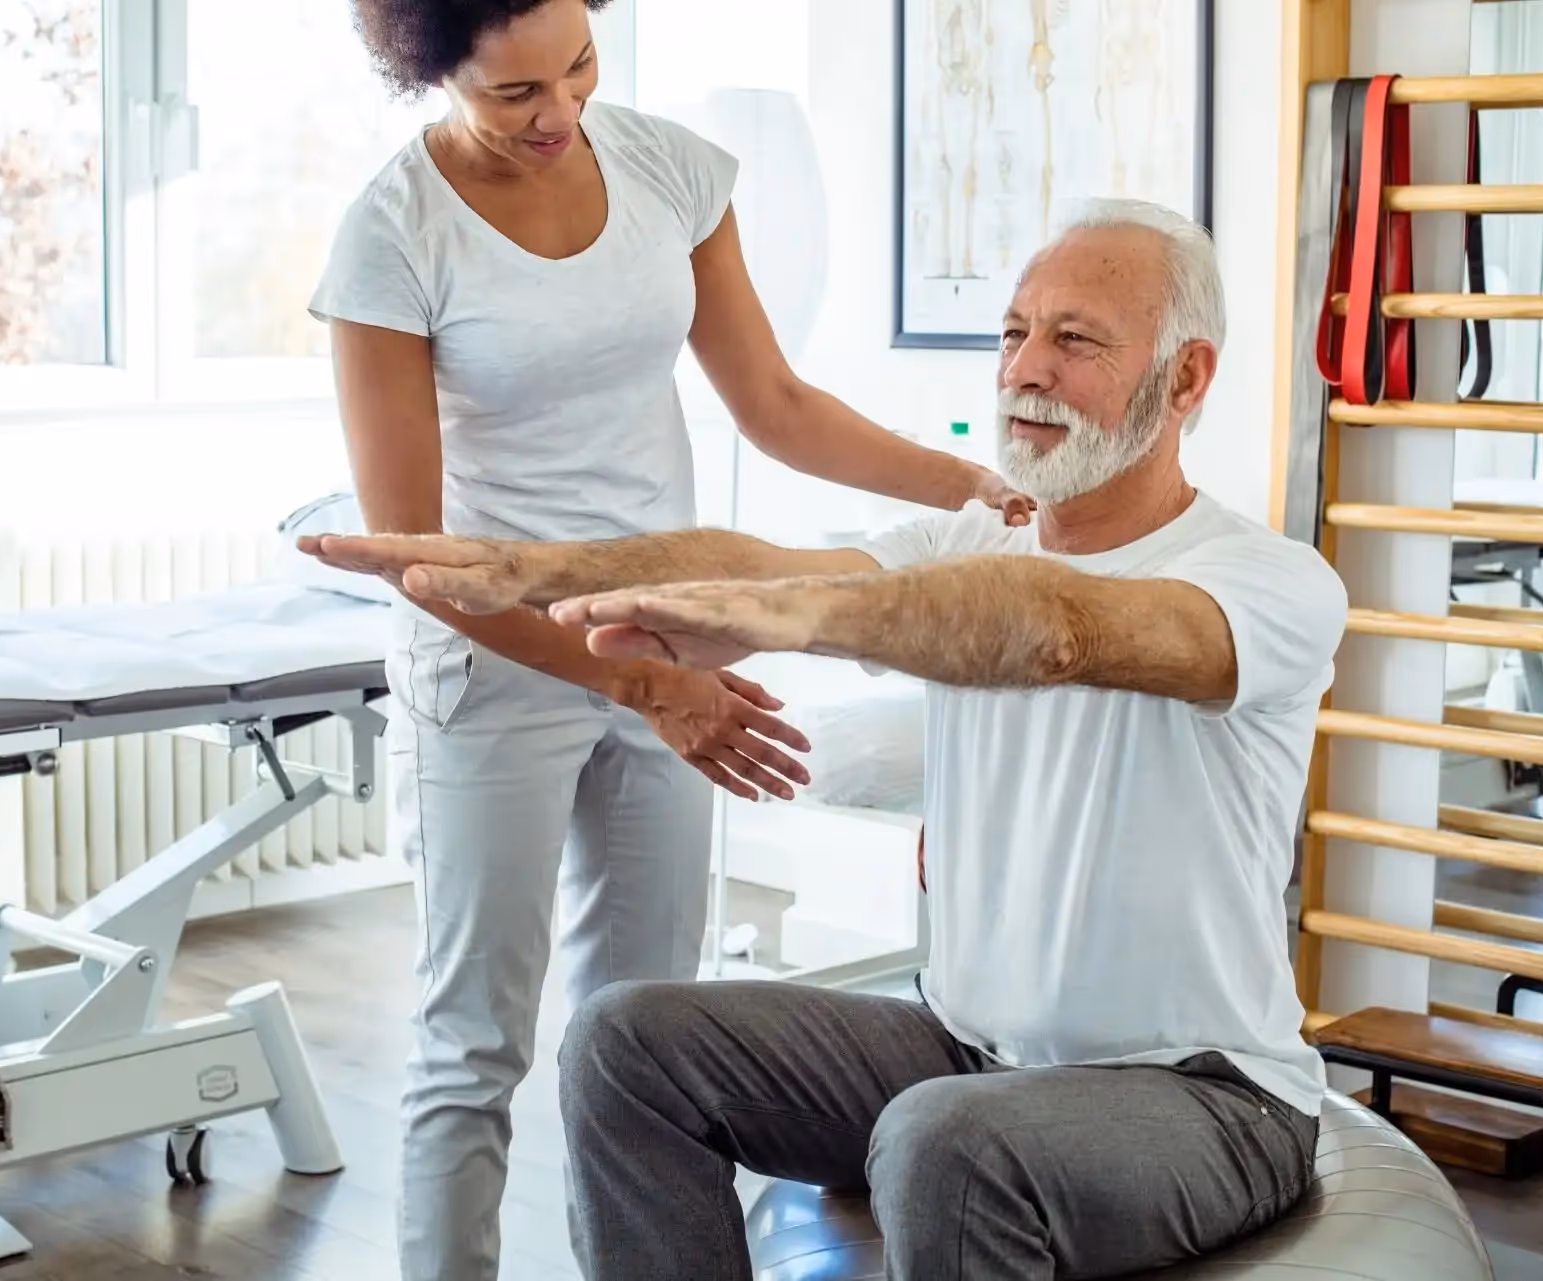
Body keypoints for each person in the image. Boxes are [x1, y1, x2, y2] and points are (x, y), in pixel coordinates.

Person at [302, 198, 1350, 1280]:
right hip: (965, 1046)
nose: (1024, 370)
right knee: (623, 1044)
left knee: (944, 1140)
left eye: (1075, 340)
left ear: (1184, 379)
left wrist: (803, 616)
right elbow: (761, 560)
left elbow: (1057, 629)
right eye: (1013, 333)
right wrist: (538, 568)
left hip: (1203, 1093)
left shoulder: (1264, 582)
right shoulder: (967, 535)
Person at [307, 2, 1032, 1277]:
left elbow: (778, 404)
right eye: (515, 93)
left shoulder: (669, 171)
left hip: (668, 642)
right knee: (473, 1044)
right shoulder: (391, 236)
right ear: (431, 72)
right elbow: (421, 560)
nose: (560, 113)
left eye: (579, 66)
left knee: (645, 1036)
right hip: (496, 670)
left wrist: (973, 487)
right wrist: (640, 683)